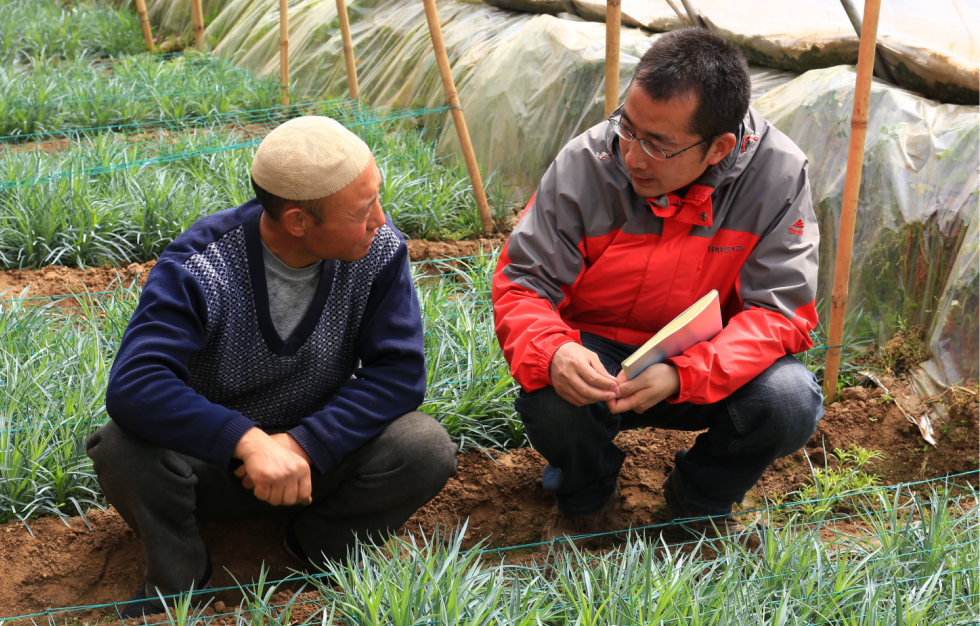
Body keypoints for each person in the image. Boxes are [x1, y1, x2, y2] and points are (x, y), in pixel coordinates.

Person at [87, 116, 458, 616]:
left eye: (377, 199)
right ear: (299, 221)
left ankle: (316, 551)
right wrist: (247, 440)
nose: (381, 220)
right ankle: (179, 577)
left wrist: (304, 443)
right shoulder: (201, 264)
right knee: (120, 446)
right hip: (215, 466)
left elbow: (399, 373)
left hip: (316, 463)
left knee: (424, 446)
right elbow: (136, 383)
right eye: (364, 209)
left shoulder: (379, 250)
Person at [492, 28, 823, 551]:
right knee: (552, 396)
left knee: (788, 401)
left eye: (658, 144)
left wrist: (686, 372)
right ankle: (585, 499)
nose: (633, 157)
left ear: (720, 148)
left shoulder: (777, 177)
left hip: (706, 357)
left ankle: (700, 501)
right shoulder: (587, 164)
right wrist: (555, 351)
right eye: (628, 127)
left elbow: (781, 311)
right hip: (597, 353)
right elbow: (523, 282)